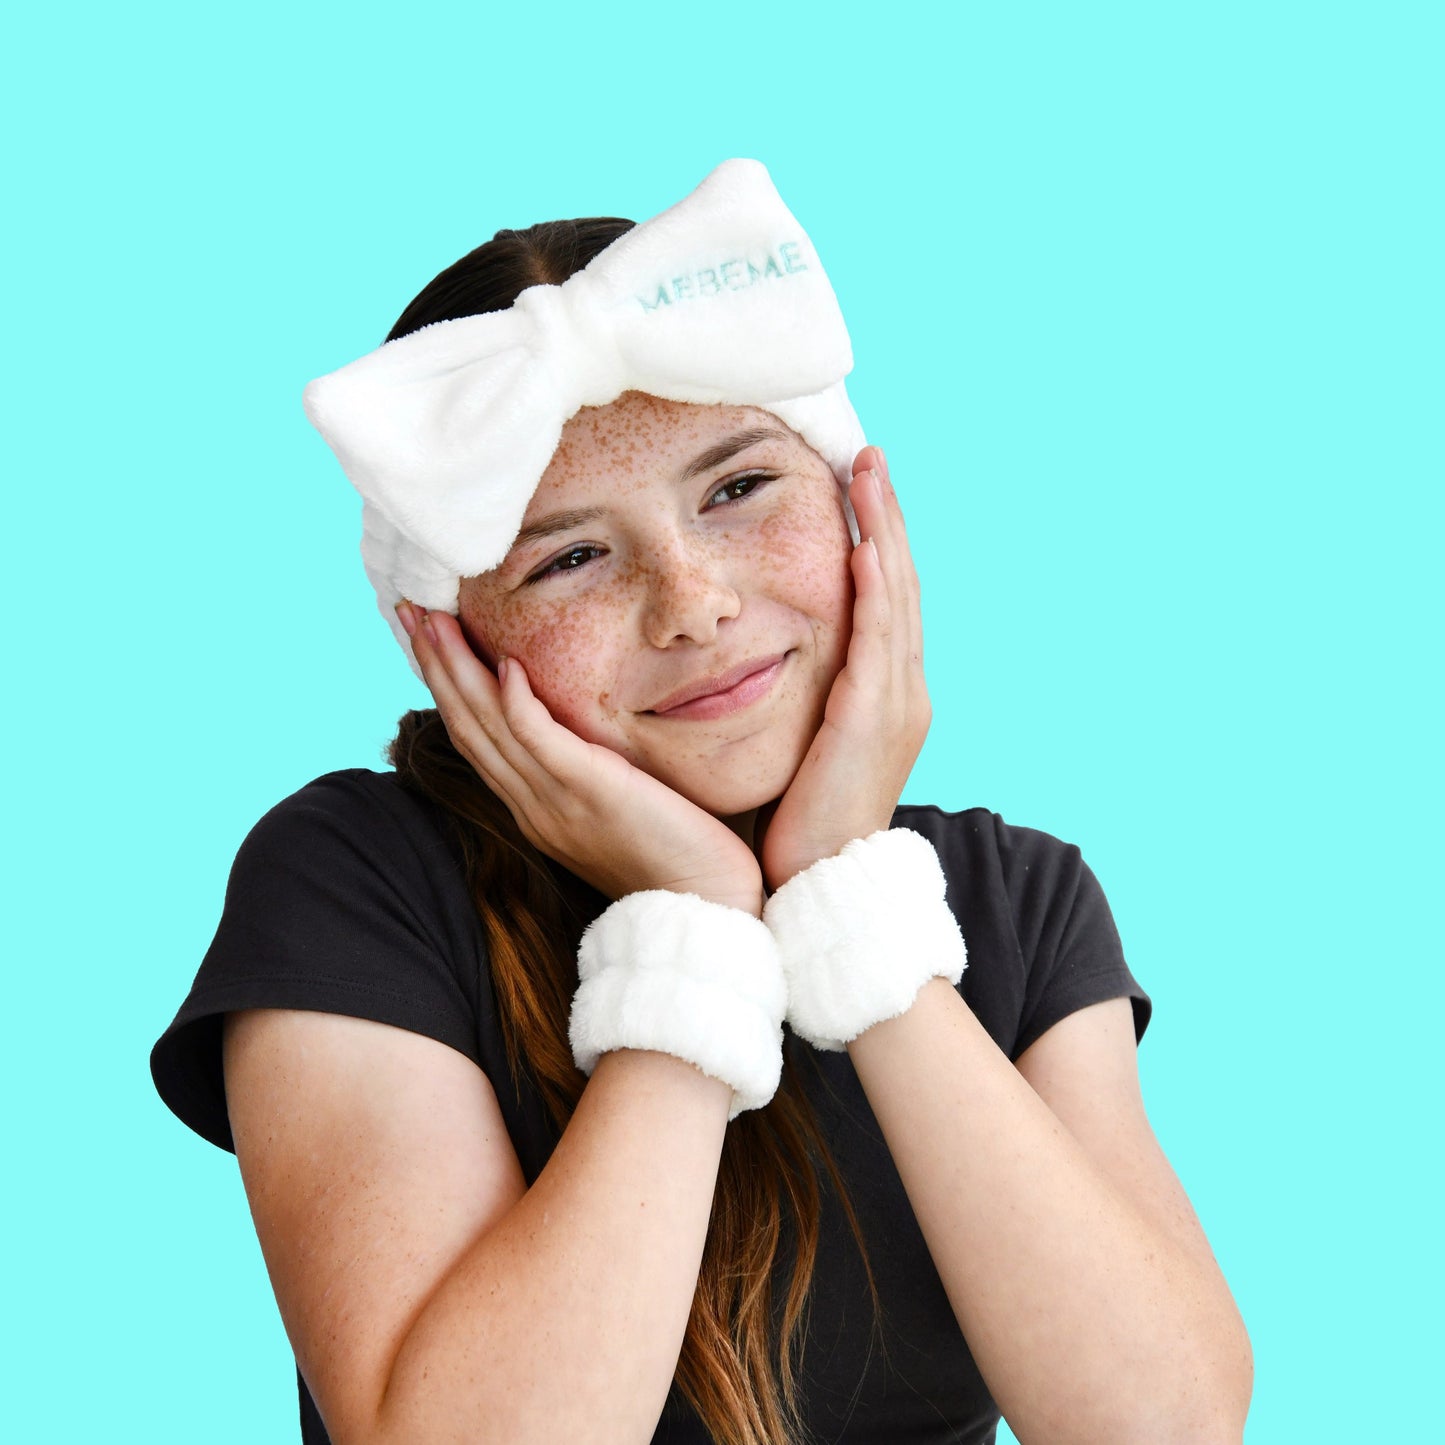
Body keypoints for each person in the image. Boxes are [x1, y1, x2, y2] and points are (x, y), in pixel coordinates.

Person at [151, 160, 1252, 1445]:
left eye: (736, 489)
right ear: (449, 639)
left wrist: (846, 901)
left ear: (858, 507)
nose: (693, 602)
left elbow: (1161, 1424)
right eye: (569, 557)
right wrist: (691, 920)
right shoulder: (354, 879)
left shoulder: (1013, 898)